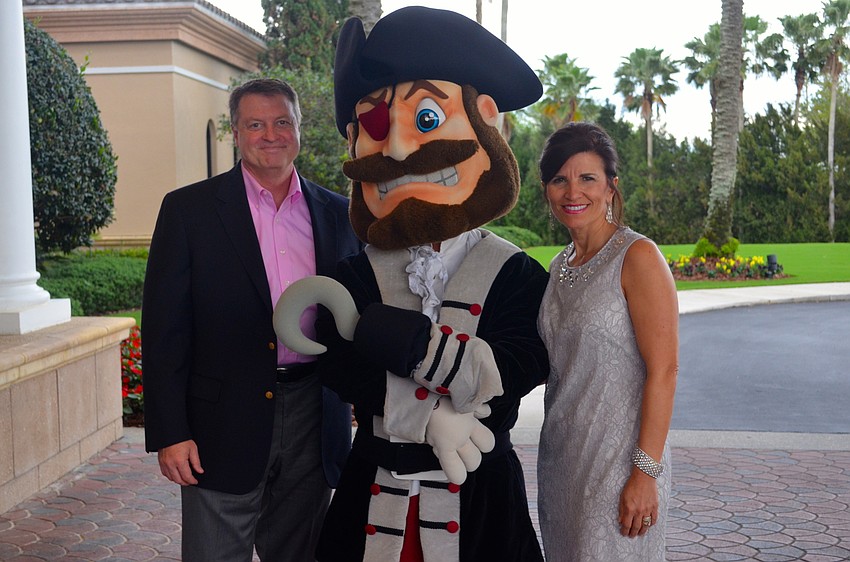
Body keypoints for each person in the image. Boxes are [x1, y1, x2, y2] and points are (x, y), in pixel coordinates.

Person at [274, 7, 549, 562]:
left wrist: (409, 347)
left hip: (480, 498)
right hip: (376, 484)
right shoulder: (355, 274)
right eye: (375, 131)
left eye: (425, 120)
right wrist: (429, 417)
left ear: (486, 121)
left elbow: (525, 361)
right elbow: (341, 365)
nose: (397, 151)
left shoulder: (515, 272)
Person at [142, 78, 362, 562]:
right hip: (221, 417)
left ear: (299, 130)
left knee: (302, 551)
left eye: (282, 122)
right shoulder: (188, 211)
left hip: (313, 409)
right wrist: (170, 432)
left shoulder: (341, 215)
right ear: (235, 134)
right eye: (255, 124)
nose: (270, 135)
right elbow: (164, 331)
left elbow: (356, 318)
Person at [536, 122, 679, 561]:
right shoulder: (559, 265)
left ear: (611, 187)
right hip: (562, 465)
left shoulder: (637, 256)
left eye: (587, 178)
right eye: (559, 179)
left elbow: (665, 370)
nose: (572, 191)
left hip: (620, 467)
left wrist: (644, 474)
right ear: (546, 190)